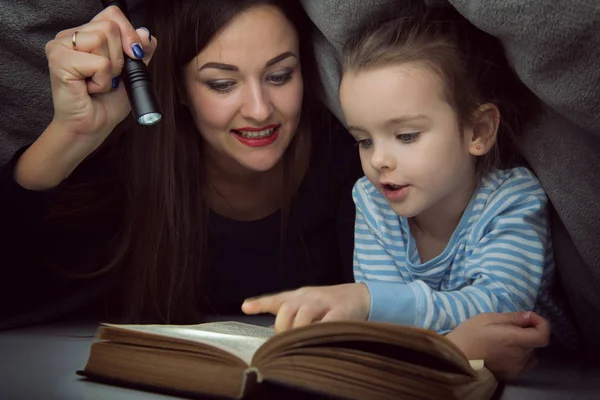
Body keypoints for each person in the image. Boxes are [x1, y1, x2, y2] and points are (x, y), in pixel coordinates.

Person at [0, 0, 360, 327]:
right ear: (179, 89)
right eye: (222, 83)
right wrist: (71, 135)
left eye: (279, 76)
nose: (259, 109)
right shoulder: (131, 181)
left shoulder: (352, 167)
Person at [243, 8, 577, 346]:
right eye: (365, 140)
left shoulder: (512, 199)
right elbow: (388, 332)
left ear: (478, 130)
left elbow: (501, 311)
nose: (379, 160)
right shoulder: (373, 203)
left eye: (406, 136)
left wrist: (368, 301)